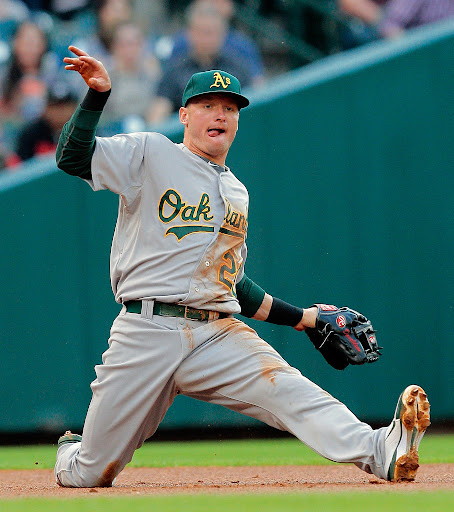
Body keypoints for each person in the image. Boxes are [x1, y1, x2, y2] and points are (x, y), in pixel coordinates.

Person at [53, 45, 430, 488]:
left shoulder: (236, 191)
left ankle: (381, 450)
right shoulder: (150, 153)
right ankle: (71, 453)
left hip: (214, 333)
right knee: (91, 472)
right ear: (184, 116)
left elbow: (230, 282)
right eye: (207, 105)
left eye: (230, 108)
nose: (220, 114)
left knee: (288, 389)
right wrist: (97, 95)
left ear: (237, 121)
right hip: (146, 330)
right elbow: (72, 158)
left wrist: (305, 318)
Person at [147, 2, 255, 124]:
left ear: (223, 33)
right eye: (202, 32)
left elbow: (254, 105)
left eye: (212, 32)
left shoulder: (238, 67)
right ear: (190, 33)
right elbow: (158, 112)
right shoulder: (175, 71)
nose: (207, 39)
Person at [14, 81, 78, 162]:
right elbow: (21, 164)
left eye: (64, 107)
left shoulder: (83, 132)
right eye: (54, 106)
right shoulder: (31, 133)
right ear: (46, 108)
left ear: (74, 108)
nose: (59, 112)